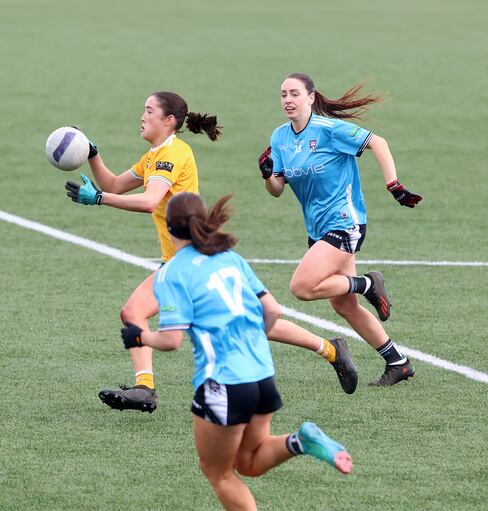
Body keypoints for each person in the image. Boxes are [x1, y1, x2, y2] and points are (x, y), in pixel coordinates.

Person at [65, 92, 358, 413]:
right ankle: (144, 388)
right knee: (137, 313)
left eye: (149, 111)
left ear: (169, 121)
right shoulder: (152, 157)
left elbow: (149, 200)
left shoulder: (173, 154)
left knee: (246, 322)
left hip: (194, 263)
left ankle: (330, 349)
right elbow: (115, 184)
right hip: (177, 263)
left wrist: (98, 199)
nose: (142, 117)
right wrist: (92, 153)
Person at [120, 191, 352, 511]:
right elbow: (272, 311)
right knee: (249, 461)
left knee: (218, 472)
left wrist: (138, 336)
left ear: (169, 227)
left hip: (223, 383)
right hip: (262, 373)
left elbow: (171, 340)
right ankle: (301, 442)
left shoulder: (172, 273)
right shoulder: (231, 259)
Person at [258, 73, 422, 387]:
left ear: (310, 97)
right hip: (318, 229)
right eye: (283, 95)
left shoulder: (328, 130)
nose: (288, 100)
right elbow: (277, 189)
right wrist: (268, 174)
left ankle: (366, 284)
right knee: (342, 304)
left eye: (294, 93)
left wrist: (393, 184)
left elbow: (378, 142)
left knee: (302, 288)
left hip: (345, 222)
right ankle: (397, 362)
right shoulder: (280, 137)